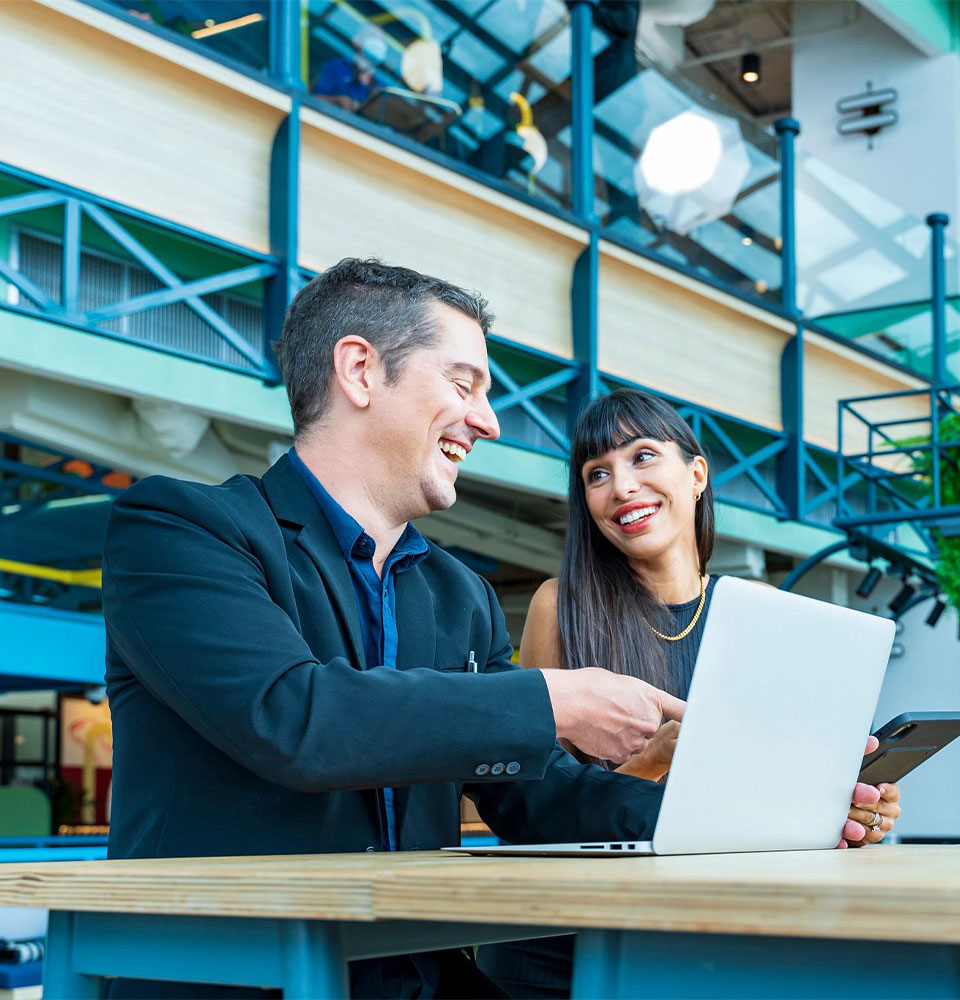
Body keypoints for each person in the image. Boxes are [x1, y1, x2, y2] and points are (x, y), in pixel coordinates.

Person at [101, 259, 686, 999]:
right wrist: (551, 699)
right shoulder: (182, 529)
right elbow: (293, 718)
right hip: (239, 977)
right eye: (464, 385)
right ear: (360, 372)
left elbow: (532, 795)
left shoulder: (460, 594)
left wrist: (723, 817)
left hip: (411, 975)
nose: (489, 421)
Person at [477, 388, 903, 998]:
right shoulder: (560, 606)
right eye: (597, 474)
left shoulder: (764, 616)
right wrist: (653, 762)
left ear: (697, 474)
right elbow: (533, 808)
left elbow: (769, 809)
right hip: (561, 937)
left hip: (702, 933)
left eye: (642, 456)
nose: (622, 486)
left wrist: (848, 807)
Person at [312, 26, 388, 112]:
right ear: (356, 40)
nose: (377, 42)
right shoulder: (336, 67)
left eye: (381, 40)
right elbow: (312, 100)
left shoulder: (382, 85)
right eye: (371, 35)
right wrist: (338, 100)